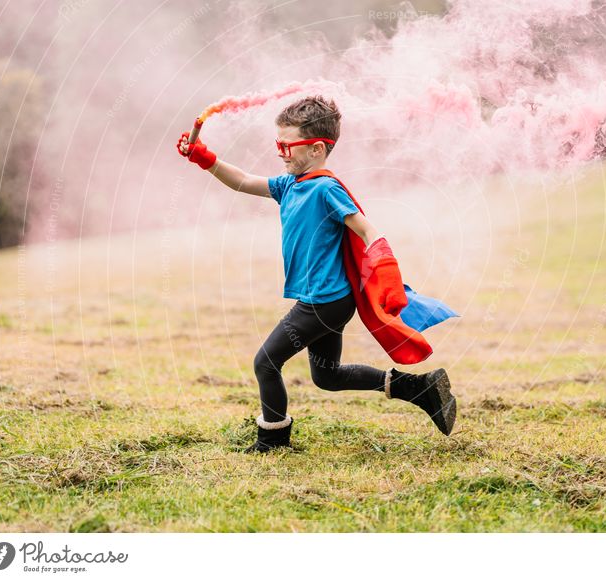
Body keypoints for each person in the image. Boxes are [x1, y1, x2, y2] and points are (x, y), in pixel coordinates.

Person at [176, 95, 456, 453]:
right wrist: (203, 157)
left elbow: (367, 230)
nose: (280, 153)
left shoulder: (326, 189)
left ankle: (273, 440)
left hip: (323, 303)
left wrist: (386, 271)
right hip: (323, 301)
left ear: (317, 148)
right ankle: (419, 389)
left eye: (286, 146)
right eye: (277, 144)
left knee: (265, 362)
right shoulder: (290, 185)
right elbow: (244, 181)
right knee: (327, 376)